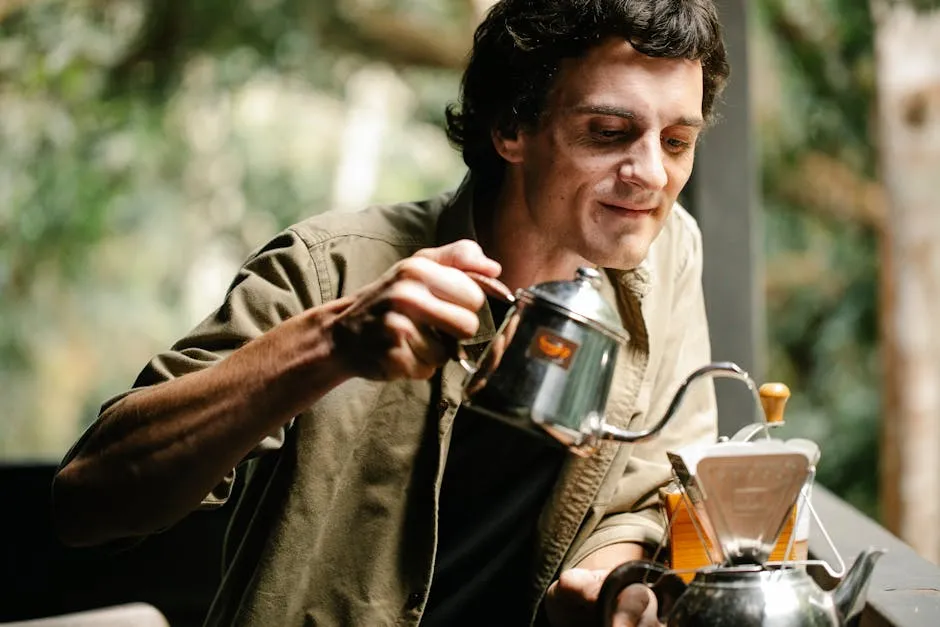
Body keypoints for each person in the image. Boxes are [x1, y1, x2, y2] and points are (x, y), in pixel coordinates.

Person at [52, 0, 730, 625]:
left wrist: (608, 578)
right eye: (610, 132)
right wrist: (331, 345)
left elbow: (653, 475)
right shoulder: (328, 268)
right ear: (512, 126)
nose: (651, 174)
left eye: (676, 141)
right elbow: (86, 501)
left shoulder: (668, 254)